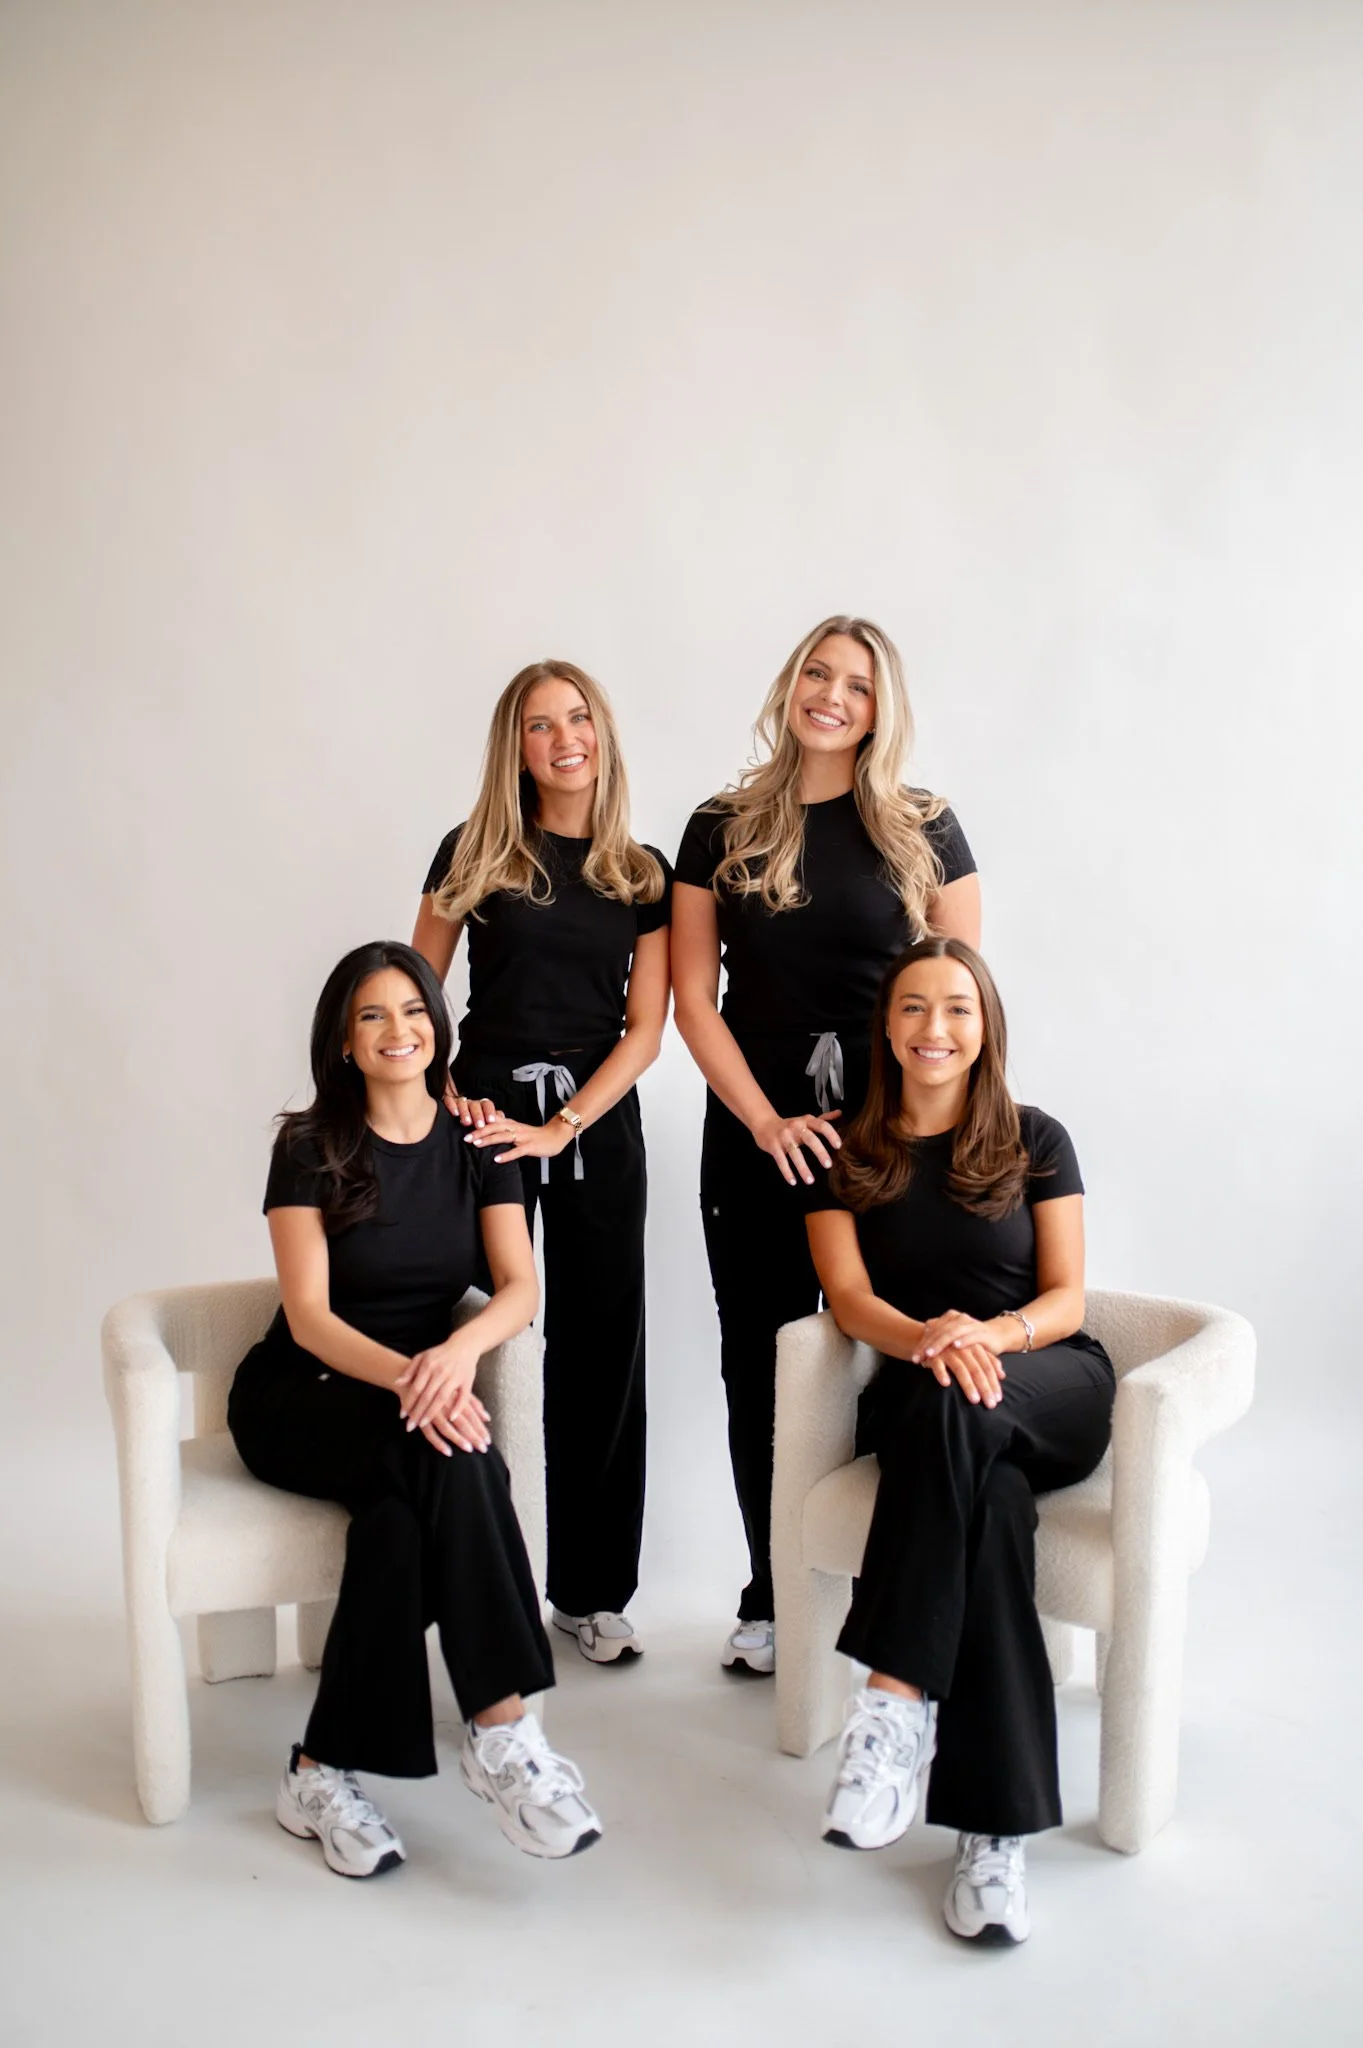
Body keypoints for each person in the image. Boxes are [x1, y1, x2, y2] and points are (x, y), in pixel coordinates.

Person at [228, 941, 602, 1879]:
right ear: (344, 1043)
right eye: (372, 1016)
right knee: (464, 1456)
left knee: (399, 1526)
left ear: (439, 1026)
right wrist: (413, 1380)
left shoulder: (481, 1140)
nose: (398, 1031)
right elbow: (309, 1319)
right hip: (304, 1396)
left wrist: (455, 1354)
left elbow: (519, 1289)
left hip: (413, 1392)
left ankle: (318, 1772)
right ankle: (502, 1729)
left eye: (413, 1011)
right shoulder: (308, 1146)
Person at [671, 616, 979, 1672]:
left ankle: (885, 1589)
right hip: (757, 1135)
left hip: (889, 1136)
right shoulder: (720, 824)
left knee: (889, 1348)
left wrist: (899, 1125)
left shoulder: (923, 822)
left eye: (855, 682)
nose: (831, 694)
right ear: (789, 682)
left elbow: (956, 997)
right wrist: (763, 1118)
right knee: (759, 1365)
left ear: (879, 704)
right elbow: (692, 1001)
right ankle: (770, 1595)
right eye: (817, 671)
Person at [801, 936, 1115, 1945]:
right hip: (936, 1401)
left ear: (984, 1029)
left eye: (956, 1009)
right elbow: (849, 1301)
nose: (934, 1028)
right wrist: (930, 1339)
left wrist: (986, 1333)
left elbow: (1066, 1297)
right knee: (989, 1508)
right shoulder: (843, 1153)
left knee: (956, 1401)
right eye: (912, 1008)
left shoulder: (1036, 1136)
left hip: (1046, 1381)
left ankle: (892, 1700)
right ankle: (992, 1836)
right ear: (884, 1026)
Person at [412, 661, 671, 1664]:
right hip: (481, 1114)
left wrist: (563, 1128)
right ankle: (464, 1576)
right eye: (538, 725)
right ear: (512, 747)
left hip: (594, 1118)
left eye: (578, 719)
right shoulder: (475, 848)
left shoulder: (641, 872)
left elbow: (646, 1029)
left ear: (601, 733)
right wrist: (445, 1100)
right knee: (480, 1340)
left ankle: (591, 1592)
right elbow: (411, 991)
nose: (564, 738)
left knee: (605, 1350)